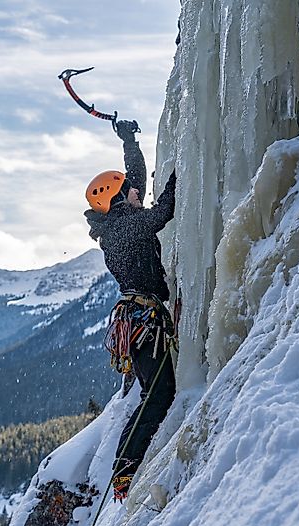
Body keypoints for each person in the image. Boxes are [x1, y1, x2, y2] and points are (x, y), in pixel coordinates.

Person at [83, 120, 177, 502]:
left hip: (139, 321)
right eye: (129, 191)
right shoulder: (125, 229)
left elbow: (134, 178)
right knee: (158, 393)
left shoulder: (120, 221)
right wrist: (177, 177)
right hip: (141, 323)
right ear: (121, 200)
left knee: (155, 391)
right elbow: (164, 212)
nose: (138, 191)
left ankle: (127, 461)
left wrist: (129, 141)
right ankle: (125, 466)